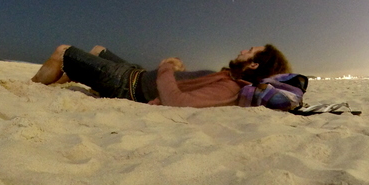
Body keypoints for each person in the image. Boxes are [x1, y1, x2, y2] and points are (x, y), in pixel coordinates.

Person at [31, 43, 290, 107]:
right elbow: (188, 87)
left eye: (250, 51)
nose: (244, 50)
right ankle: (66, 77)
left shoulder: (230, 89)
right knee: (98, 49)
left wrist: (167, 67)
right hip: (137, 74)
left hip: (128, 85)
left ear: (254, 65)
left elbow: (178, 103)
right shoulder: (227, 77)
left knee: (63, 51)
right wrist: (179, 71)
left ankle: (31, 86)